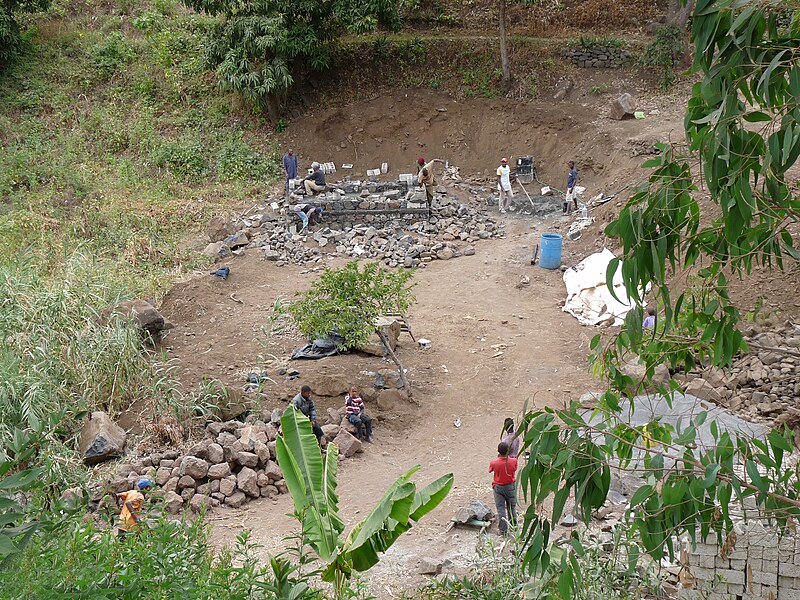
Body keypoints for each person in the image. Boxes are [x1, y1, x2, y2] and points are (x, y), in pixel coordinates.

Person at [489, 442, 518, 535]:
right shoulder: (514, 461)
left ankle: (503, 530)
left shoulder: (494, 462)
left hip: (498, 487)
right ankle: (514, 527)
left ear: (498, 451)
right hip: (510, 486)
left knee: (501, 509)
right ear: (508, 451)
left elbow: (490, 470)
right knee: (512, 508)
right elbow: (514, 469)